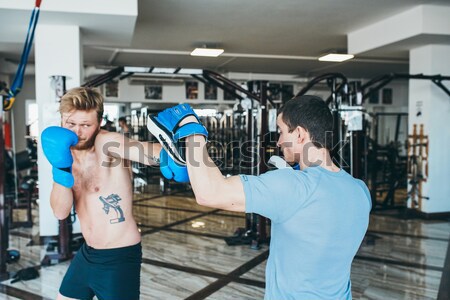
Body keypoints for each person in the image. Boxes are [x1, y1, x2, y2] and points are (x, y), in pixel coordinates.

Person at [148, 96, 371, 299]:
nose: (278, 141)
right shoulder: (360, 191)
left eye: (281, 131)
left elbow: (209, 193)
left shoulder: (293, 187)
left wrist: (190, 130)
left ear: (301, 134)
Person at [41, 87, 161, 300]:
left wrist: (172, 155)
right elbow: (60, 212)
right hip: (87, 254)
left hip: (119, 257)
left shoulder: (106, 143)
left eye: (85, 125)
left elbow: (147, 152)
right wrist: (60, 170)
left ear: (99, 123)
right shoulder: (64, 153)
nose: (77, 132)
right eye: (71, 124)